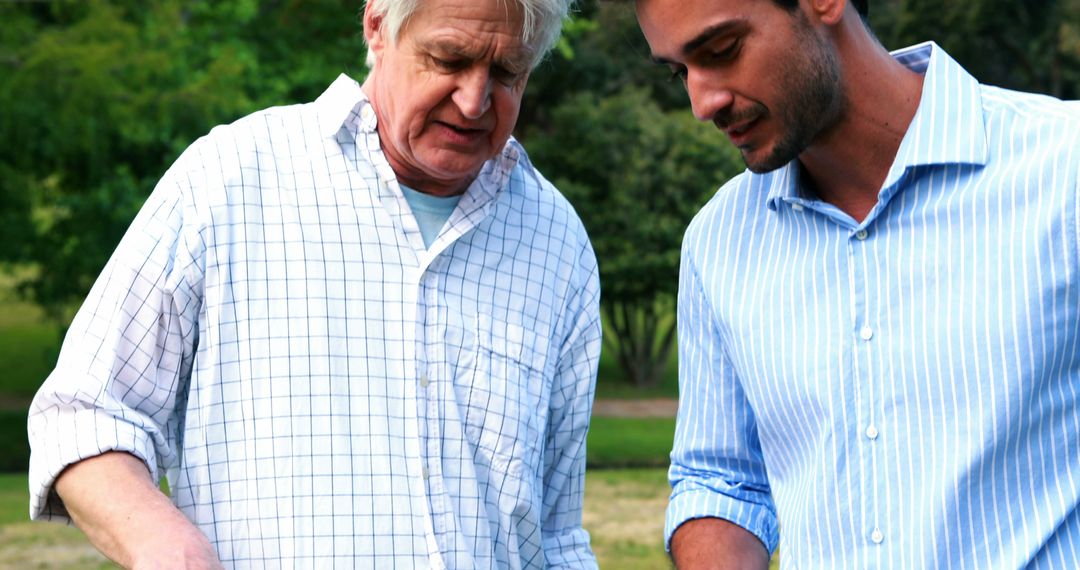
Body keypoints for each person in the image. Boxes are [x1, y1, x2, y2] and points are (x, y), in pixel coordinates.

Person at [27, 0, 602, 567]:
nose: (474, 100)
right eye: (449, 60)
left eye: (507, 72)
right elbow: (84, 416)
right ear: (377, 25)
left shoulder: (557, 238)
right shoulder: (229, 179)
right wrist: (166, 547)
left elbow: (554, 535)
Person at [627, 0, 1080, 567]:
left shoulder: (1066, 171)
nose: (701, 102)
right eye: (679, 72)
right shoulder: (717, 243)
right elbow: (720, 480)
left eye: (722, 51)